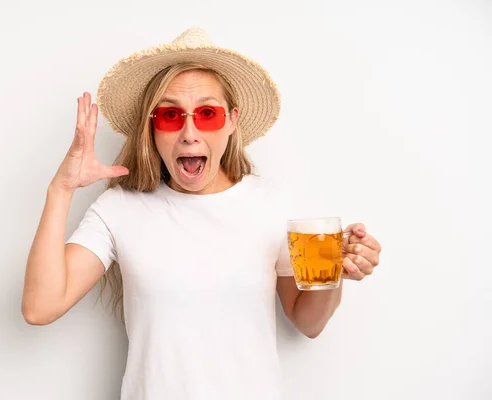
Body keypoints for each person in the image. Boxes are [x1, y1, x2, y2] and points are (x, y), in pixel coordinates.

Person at [22, 28, 382, 400]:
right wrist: (60, 189)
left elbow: (308, 321)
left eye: (207, 114)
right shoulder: (119, 208)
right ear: (152, 126)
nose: (189, 133)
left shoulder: (272, 204)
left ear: (231, 122)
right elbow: (40, 307)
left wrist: (336, 271)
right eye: (170, 115)